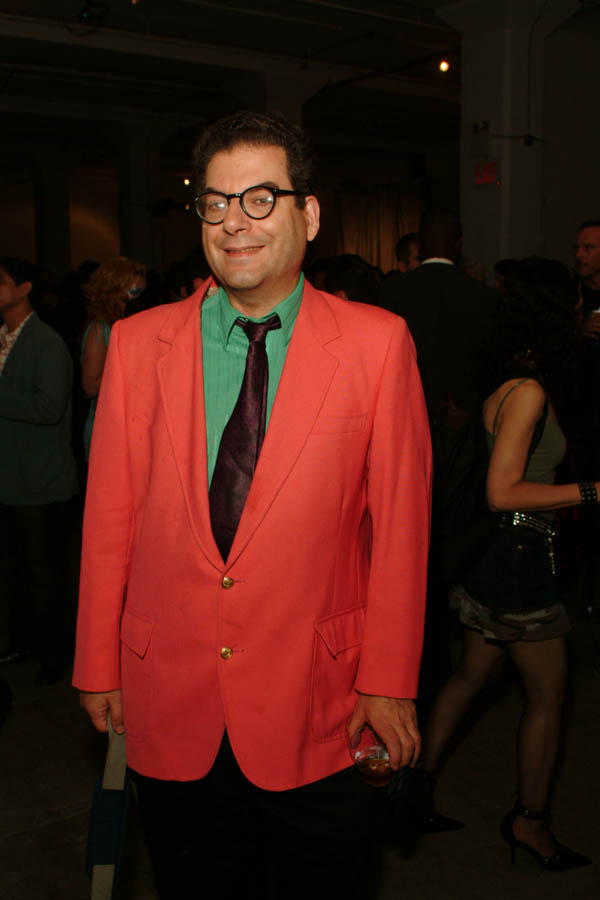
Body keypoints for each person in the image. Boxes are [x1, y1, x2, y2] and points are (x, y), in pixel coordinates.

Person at [73, 111, 432, 899]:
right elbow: (108, 520)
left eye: (260, 198)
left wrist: (389, 681)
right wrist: (97, 660)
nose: (234, 222)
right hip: (171, 696)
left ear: (310, 214)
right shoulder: (139, 344)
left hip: (320, 703)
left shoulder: (377, 345)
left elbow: (402, 530)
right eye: (215, 202)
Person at [417, 258, 593, 871]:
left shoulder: (514, 381)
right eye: (574, 303)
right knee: (549, 696)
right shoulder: (528, 391)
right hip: (518, 557)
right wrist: (591, 492)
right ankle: (530, 823)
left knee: (471, 676)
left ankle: (413, 789)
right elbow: (503, 492)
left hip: (499, 554)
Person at [0, 257, 78, 685]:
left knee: (45, 572)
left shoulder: (46, 342)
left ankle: (55, 653)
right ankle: (24, 642)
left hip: (40, 480)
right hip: (11, 476)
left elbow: (49, 408)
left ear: (25, 288)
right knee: (16, 569)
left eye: (2, 281)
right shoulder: (4, 337)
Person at [80, 257, 146, 461]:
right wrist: (133, 371)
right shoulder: (100, 330)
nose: (134, 299)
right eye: (132, 292)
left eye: (139, 293)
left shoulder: (127, 323)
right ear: (112, 290)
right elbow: (90, 386)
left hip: (130, 425)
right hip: (107, 428)